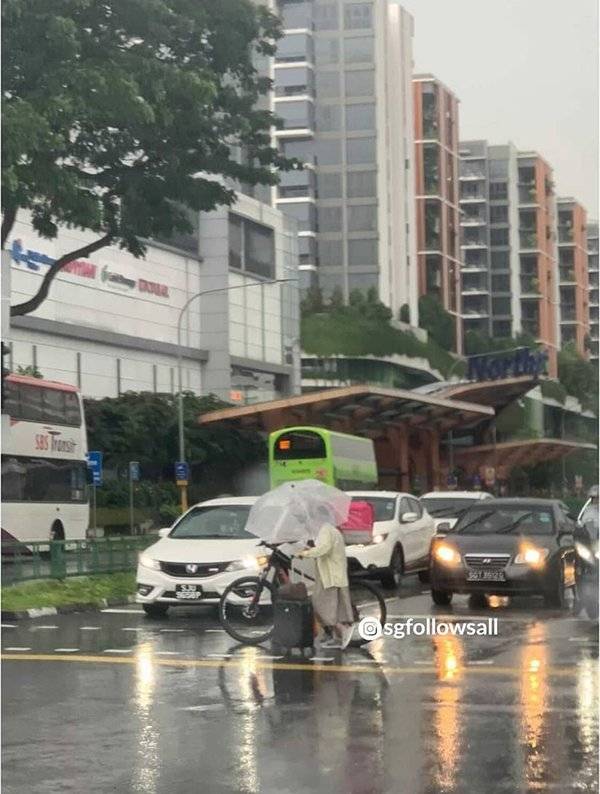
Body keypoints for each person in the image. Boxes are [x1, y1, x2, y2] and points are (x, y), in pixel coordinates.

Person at [297, 505, 355, 649]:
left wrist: (305, 553)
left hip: (330, 575)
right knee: (330, 606)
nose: (311, 521)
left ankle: (342, 630)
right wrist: (310, 549)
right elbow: (324, 547)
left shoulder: (325, 530)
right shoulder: (329, 530)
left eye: (313, 517)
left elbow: (323, 549)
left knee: (321, 605)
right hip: (332, 574)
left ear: (320, 518)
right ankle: (335, 635)